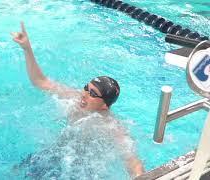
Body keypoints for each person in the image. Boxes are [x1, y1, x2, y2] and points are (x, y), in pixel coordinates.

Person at [11, 22, 145, 178]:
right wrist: (27, 48)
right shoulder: (73, 97)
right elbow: (40, 81)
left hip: (81, 167)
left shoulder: (111, 127)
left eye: (92, 94)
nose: (84, 94)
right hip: (56, 153)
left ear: (104, 106)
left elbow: (133, 162)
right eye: (86, 88)